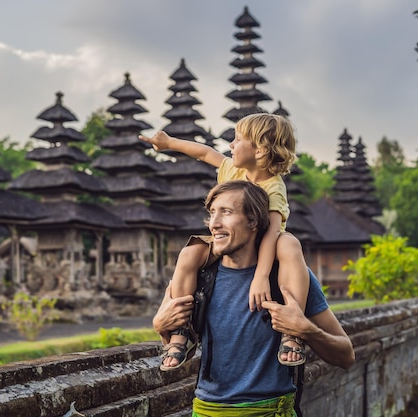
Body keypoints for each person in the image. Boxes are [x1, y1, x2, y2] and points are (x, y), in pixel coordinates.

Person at [153, 180, 355, 416]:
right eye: (212, 213)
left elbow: (346, 356)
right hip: (207, 410)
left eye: (226, 212)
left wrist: (306, 330)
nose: (214, 224)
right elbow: (179, 348)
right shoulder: (201, 277)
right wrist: (160, 327)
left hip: (270, 410)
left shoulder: (288, 277)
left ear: (253, 221)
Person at [139, 113, 310, 370]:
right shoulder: (234, 170)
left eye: (237, 139)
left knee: (289, 243)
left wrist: (261, 276)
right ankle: (181, 330)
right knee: (189, 253)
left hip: (268, 244)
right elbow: (205, 153)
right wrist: (169, 143)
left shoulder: (274, 188)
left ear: (261, 150)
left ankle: (292, 330)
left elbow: (272, 234)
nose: (231, 145)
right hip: (229, 241)